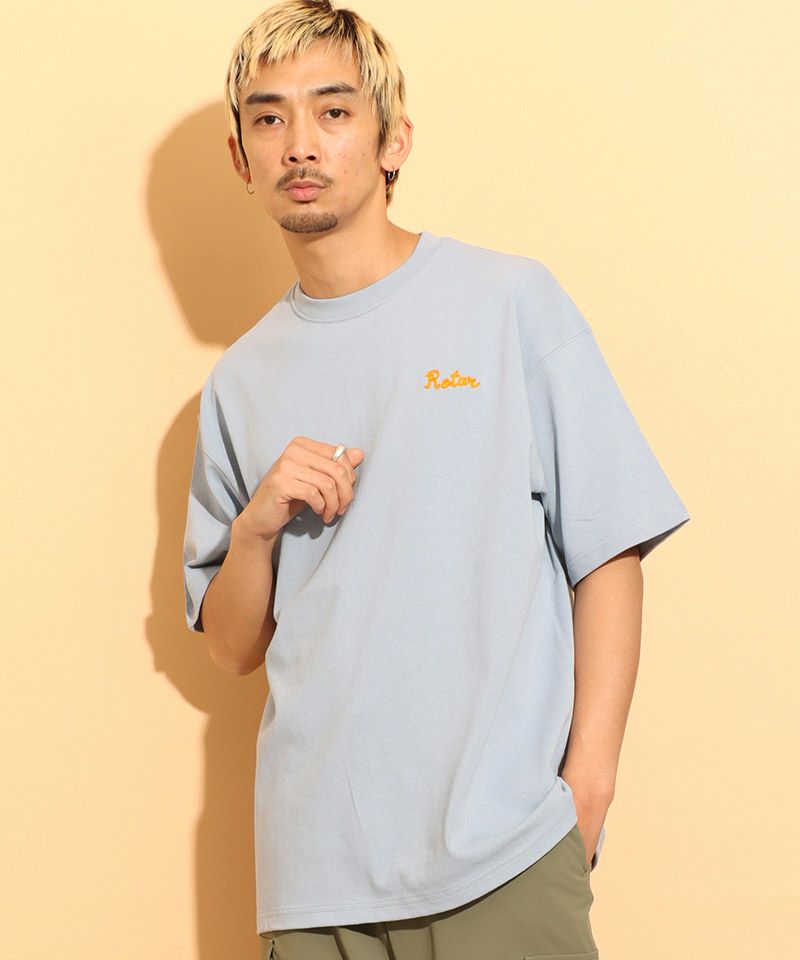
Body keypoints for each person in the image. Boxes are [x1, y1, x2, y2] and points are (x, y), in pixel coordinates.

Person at [182, 2, 691, 957]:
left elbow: (609, 550)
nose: (300, 144)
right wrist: (253, 529)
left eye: (334, 111)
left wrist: (586, 790)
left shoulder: (507, 301)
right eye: (269, 117)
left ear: (393, 141)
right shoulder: (240, 381)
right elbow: (234, 647)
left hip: (500, 853)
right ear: (241, 157)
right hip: (313, 875)